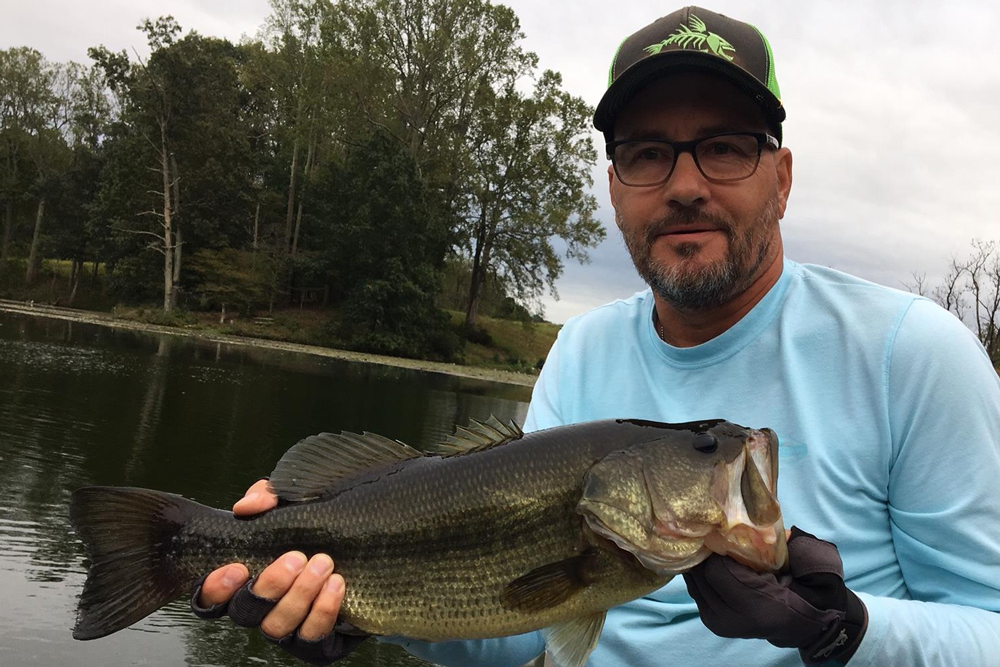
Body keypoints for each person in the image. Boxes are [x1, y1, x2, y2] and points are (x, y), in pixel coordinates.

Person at [193, 6, 1000, 666]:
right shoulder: (581, 350)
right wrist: (365, 613)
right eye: (648, 154)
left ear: (781, 178)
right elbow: (530, 627)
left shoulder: (912, 356)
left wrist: (845, 631)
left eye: (722, 147)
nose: (685, 185)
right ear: (615, 189)